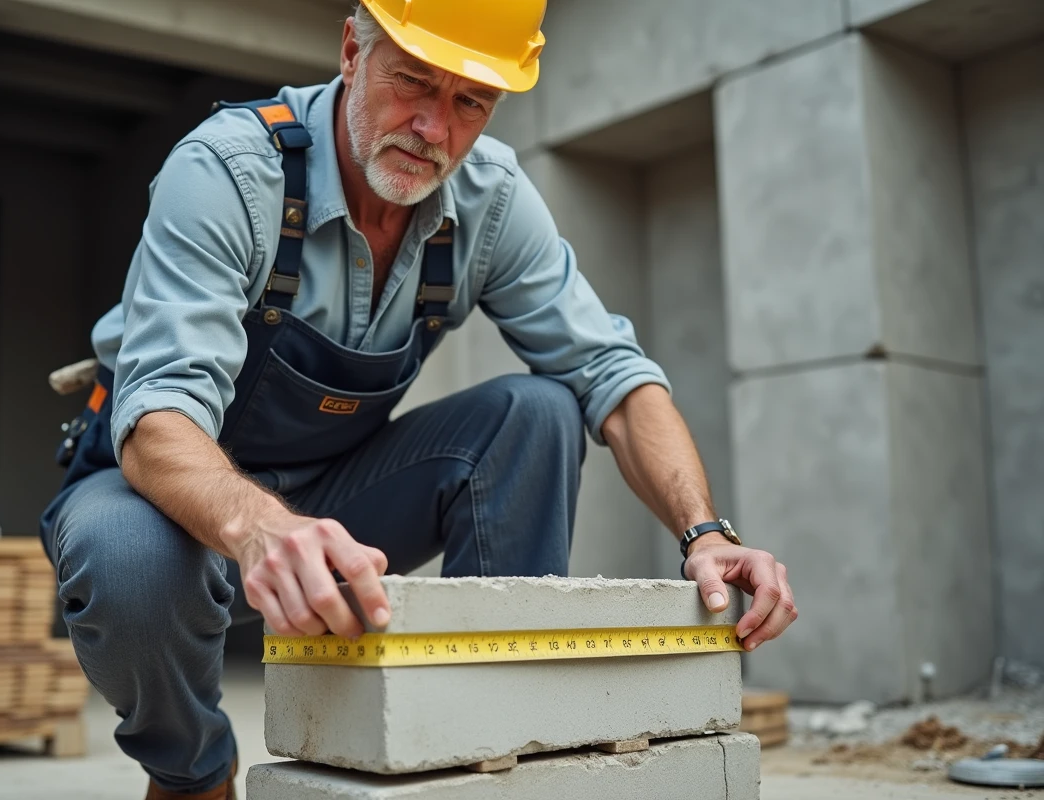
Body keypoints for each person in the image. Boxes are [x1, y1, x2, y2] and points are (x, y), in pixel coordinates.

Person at [39, 1, 798, 797]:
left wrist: (705, 534)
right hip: (161, 503)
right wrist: (265, 529)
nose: (434, 127)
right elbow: (160, 416)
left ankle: (494, 748)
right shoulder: (229, 171)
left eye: (470, 101)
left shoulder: (490, 200)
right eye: (414, 82)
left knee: (537, 412)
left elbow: (613, 373)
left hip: (337, 507)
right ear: (350, 51)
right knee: (125, 560)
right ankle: (194, 773)